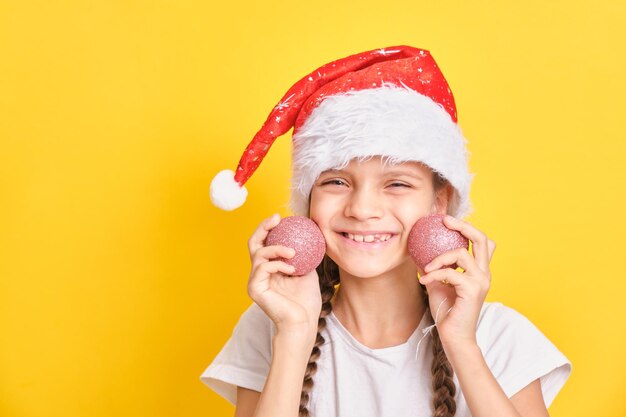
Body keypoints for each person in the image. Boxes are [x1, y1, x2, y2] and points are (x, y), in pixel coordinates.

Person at [202, 46, 572, 417]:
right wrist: (294, 336)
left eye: (396, 184)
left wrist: (461, 343)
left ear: (439, 202)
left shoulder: (500, 335)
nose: (362, 209)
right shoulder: (272, 325)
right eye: (335, 181)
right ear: (308, 202)